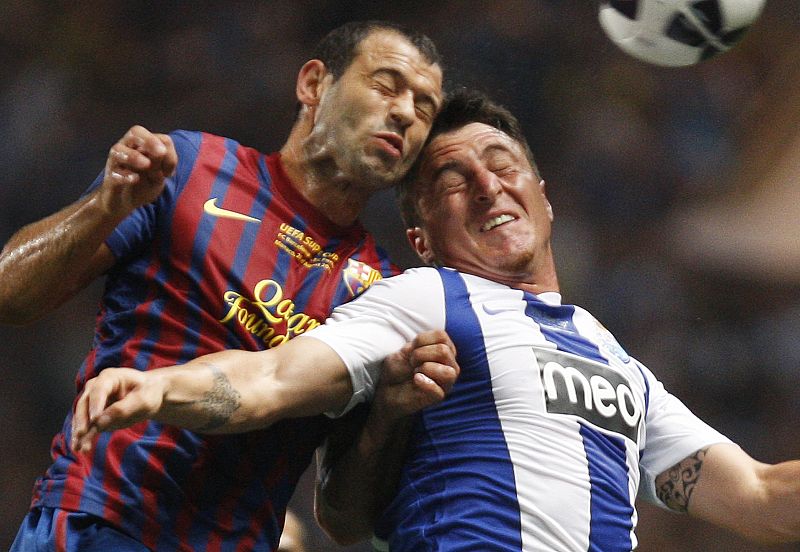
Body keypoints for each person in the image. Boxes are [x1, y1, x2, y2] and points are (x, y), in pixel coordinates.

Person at [70, 89, 800, 551]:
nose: (487, 185)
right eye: (453, 178)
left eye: (500, 161)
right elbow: (274, 376)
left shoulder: (616, 362)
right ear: (420, 239)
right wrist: (160, 387)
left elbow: (764, 498)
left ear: (543, 197)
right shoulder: (427, 299)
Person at [2, 20, 452, 552]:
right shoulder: (192, 169)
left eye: (424, 108)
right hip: (101, 520)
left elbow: (343, 520)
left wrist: (389, 415)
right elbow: (12, 295)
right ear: (314, 84)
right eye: (385, 85)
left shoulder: (384, 292)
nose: (404, 112)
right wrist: (107, 207)